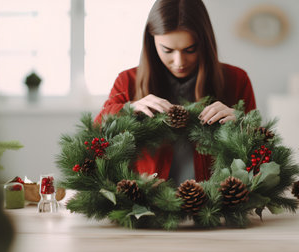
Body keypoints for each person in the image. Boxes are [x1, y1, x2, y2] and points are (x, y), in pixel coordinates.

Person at [95, 0, 256, 185]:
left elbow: (258, 153)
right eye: (168, 50)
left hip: (216, 205)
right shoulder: (127, 81)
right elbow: (96, 135)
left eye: (190, 49)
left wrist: (242, 125)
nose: (179, 61)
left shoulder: (236, 80)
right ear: (151, 40)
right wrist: (127, 109)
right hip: (147, 204)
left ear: (204, 42)